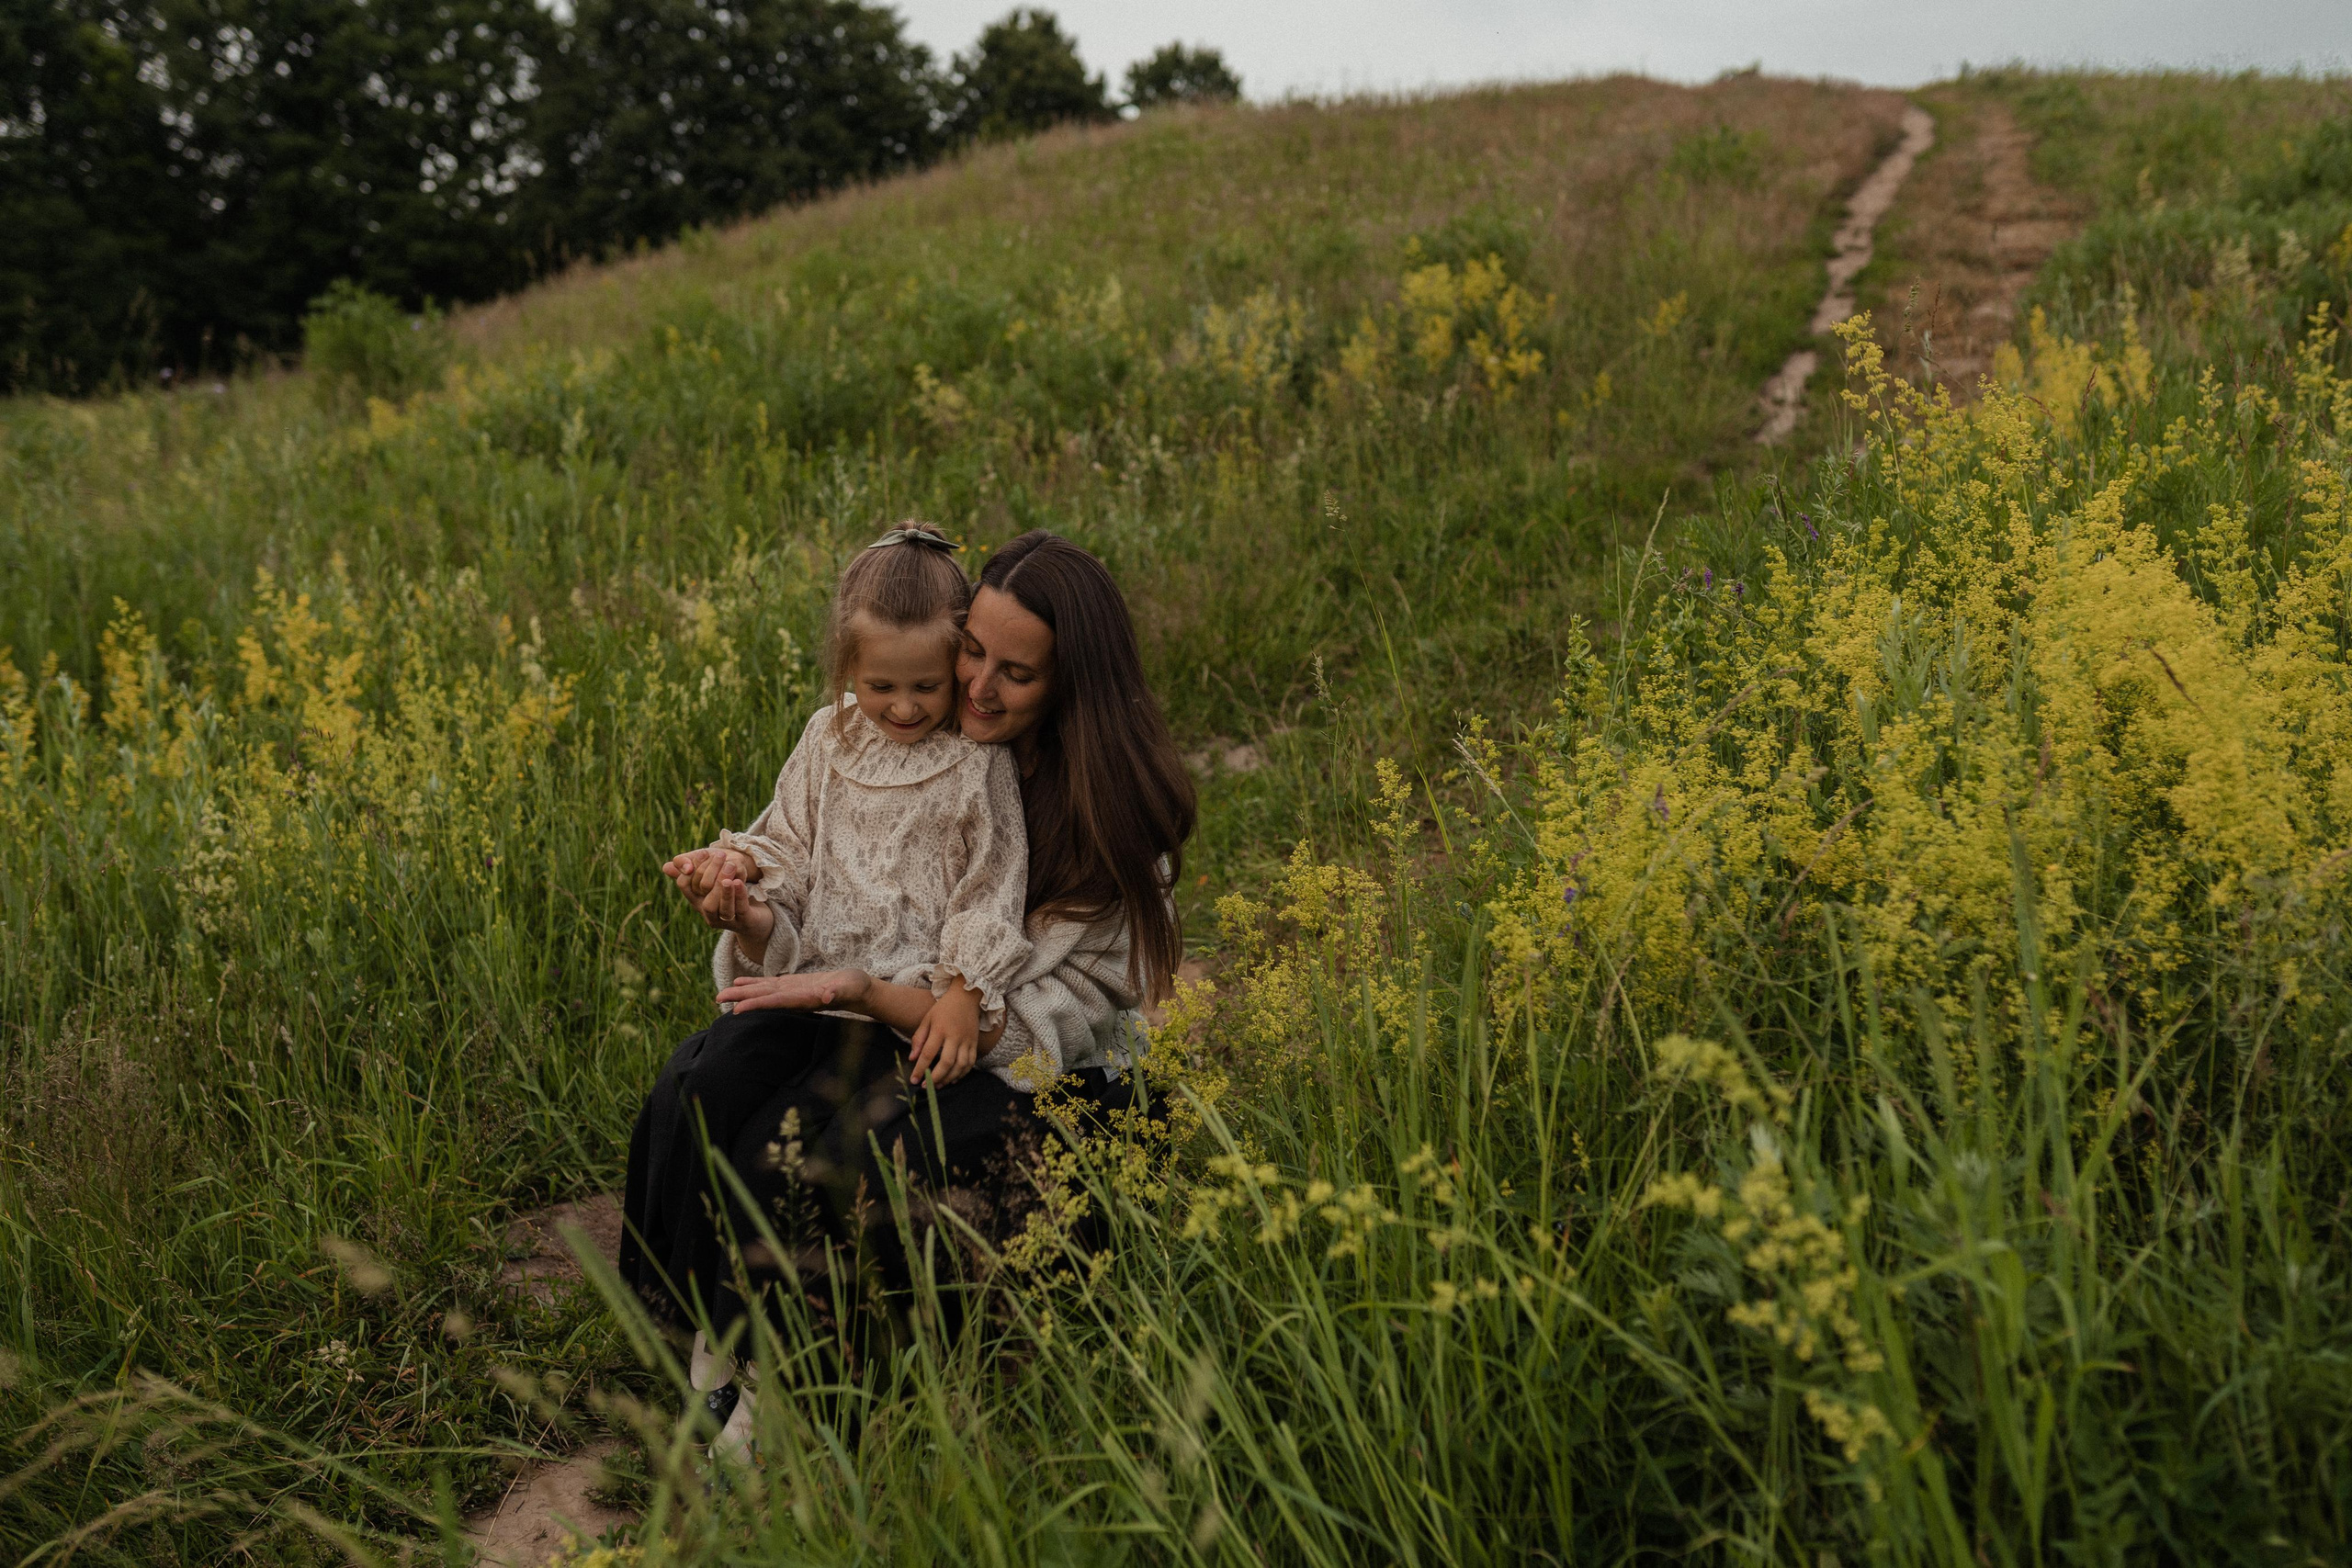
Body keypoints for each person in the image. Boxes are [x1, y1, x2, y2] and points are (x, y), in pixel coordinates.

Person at [621, 528, 1196, 1456]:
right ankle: (704, 1332)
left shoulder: (1115, 819)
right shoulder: (883, 739)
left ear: (1069, 687)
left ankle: (800, 1396)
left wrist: (888, 997)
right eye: (972, 649)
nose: (974, 685)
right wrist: (750, 914)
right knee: (705, 1081)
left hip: (1046, 1082)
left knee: (838, 1158)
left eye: (1016, 672)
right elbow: (803, 869)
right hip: (889, 1022)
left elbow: (1061, 1020)